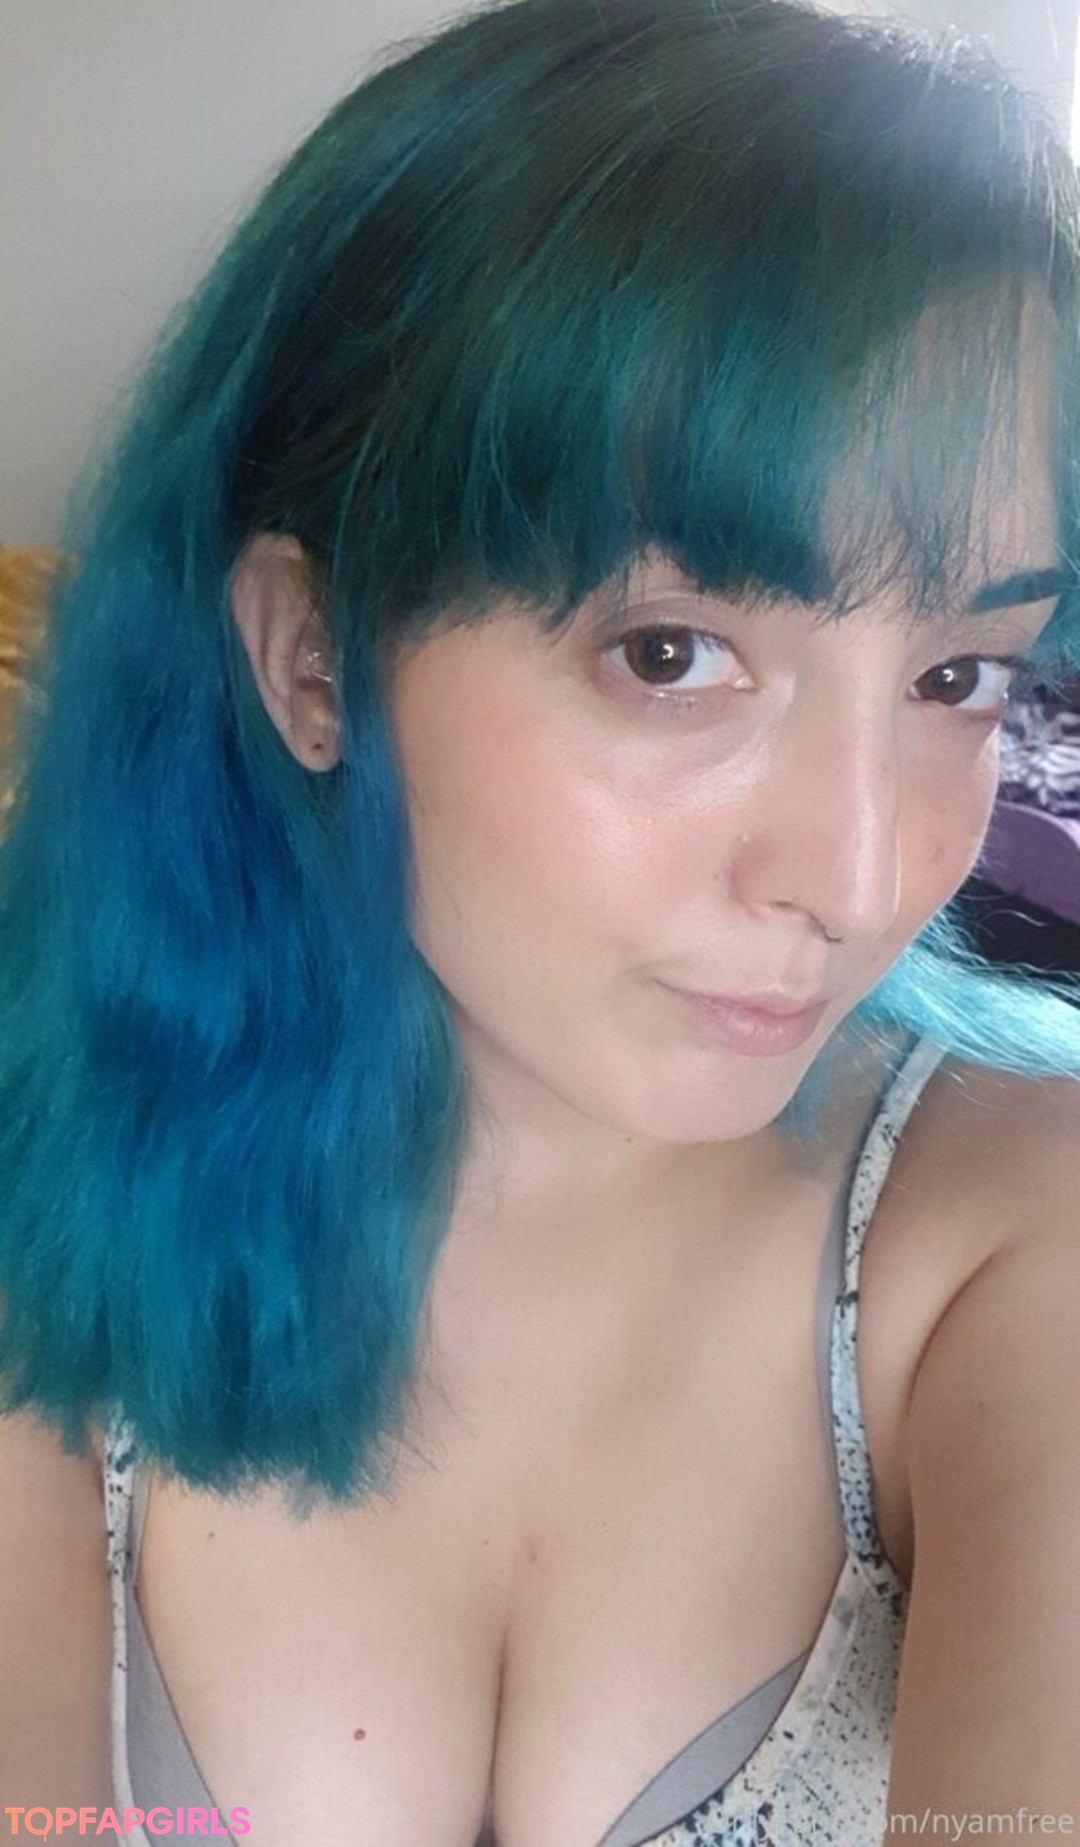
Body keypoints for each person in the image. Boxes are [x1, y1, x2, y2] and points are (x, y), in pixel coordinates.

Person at [1, 0, 1080, 1840]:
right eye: (672, 654)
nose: (859, 873)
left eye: (961, 675)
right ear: (314, 662)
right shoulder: (53, 1212)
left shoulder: (1010, 1248)